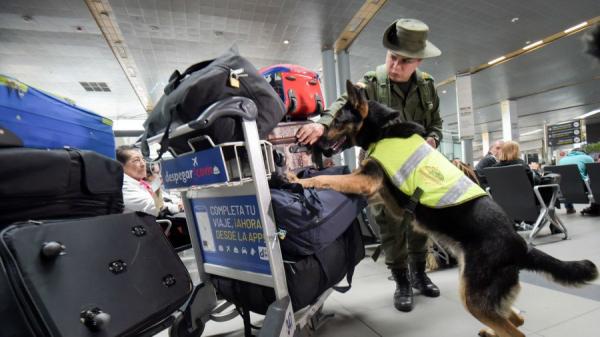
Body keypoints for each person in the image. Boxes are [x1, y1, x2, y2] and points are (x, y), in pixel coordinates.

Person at [296, 18, 442, 312]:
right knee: (389, 224)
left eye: (404, 61)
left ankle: (420, 274)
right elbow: (342, 104)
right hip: (379, 168)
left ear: (418, 62)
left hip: (416, 166)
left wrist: (433, 141)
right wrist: (323, 126)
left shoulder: (426, 87)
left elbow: (435, 124)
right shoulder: (373, 83)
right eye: (392, 57)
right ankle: (401, 280)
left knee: (419, 221)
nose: (395, 65)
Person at [116, 145, 160, 216]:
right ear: (120, 166)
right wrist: (176, 206)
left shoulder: (138, 183)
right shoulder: (123, 188)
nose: (143, 164)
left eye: (143, 159)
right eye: (136, 160)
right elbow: (156, 207)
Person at [558, 148, 599, 215]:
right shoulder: (587, 158)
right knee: (596, 182)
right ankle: (595, 207)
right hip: (581, 185)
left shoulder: (562, 160)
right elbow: (592, 172)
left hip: (563, 187)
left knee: (566, 181)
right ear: (583, 152)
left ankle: (569, 208)